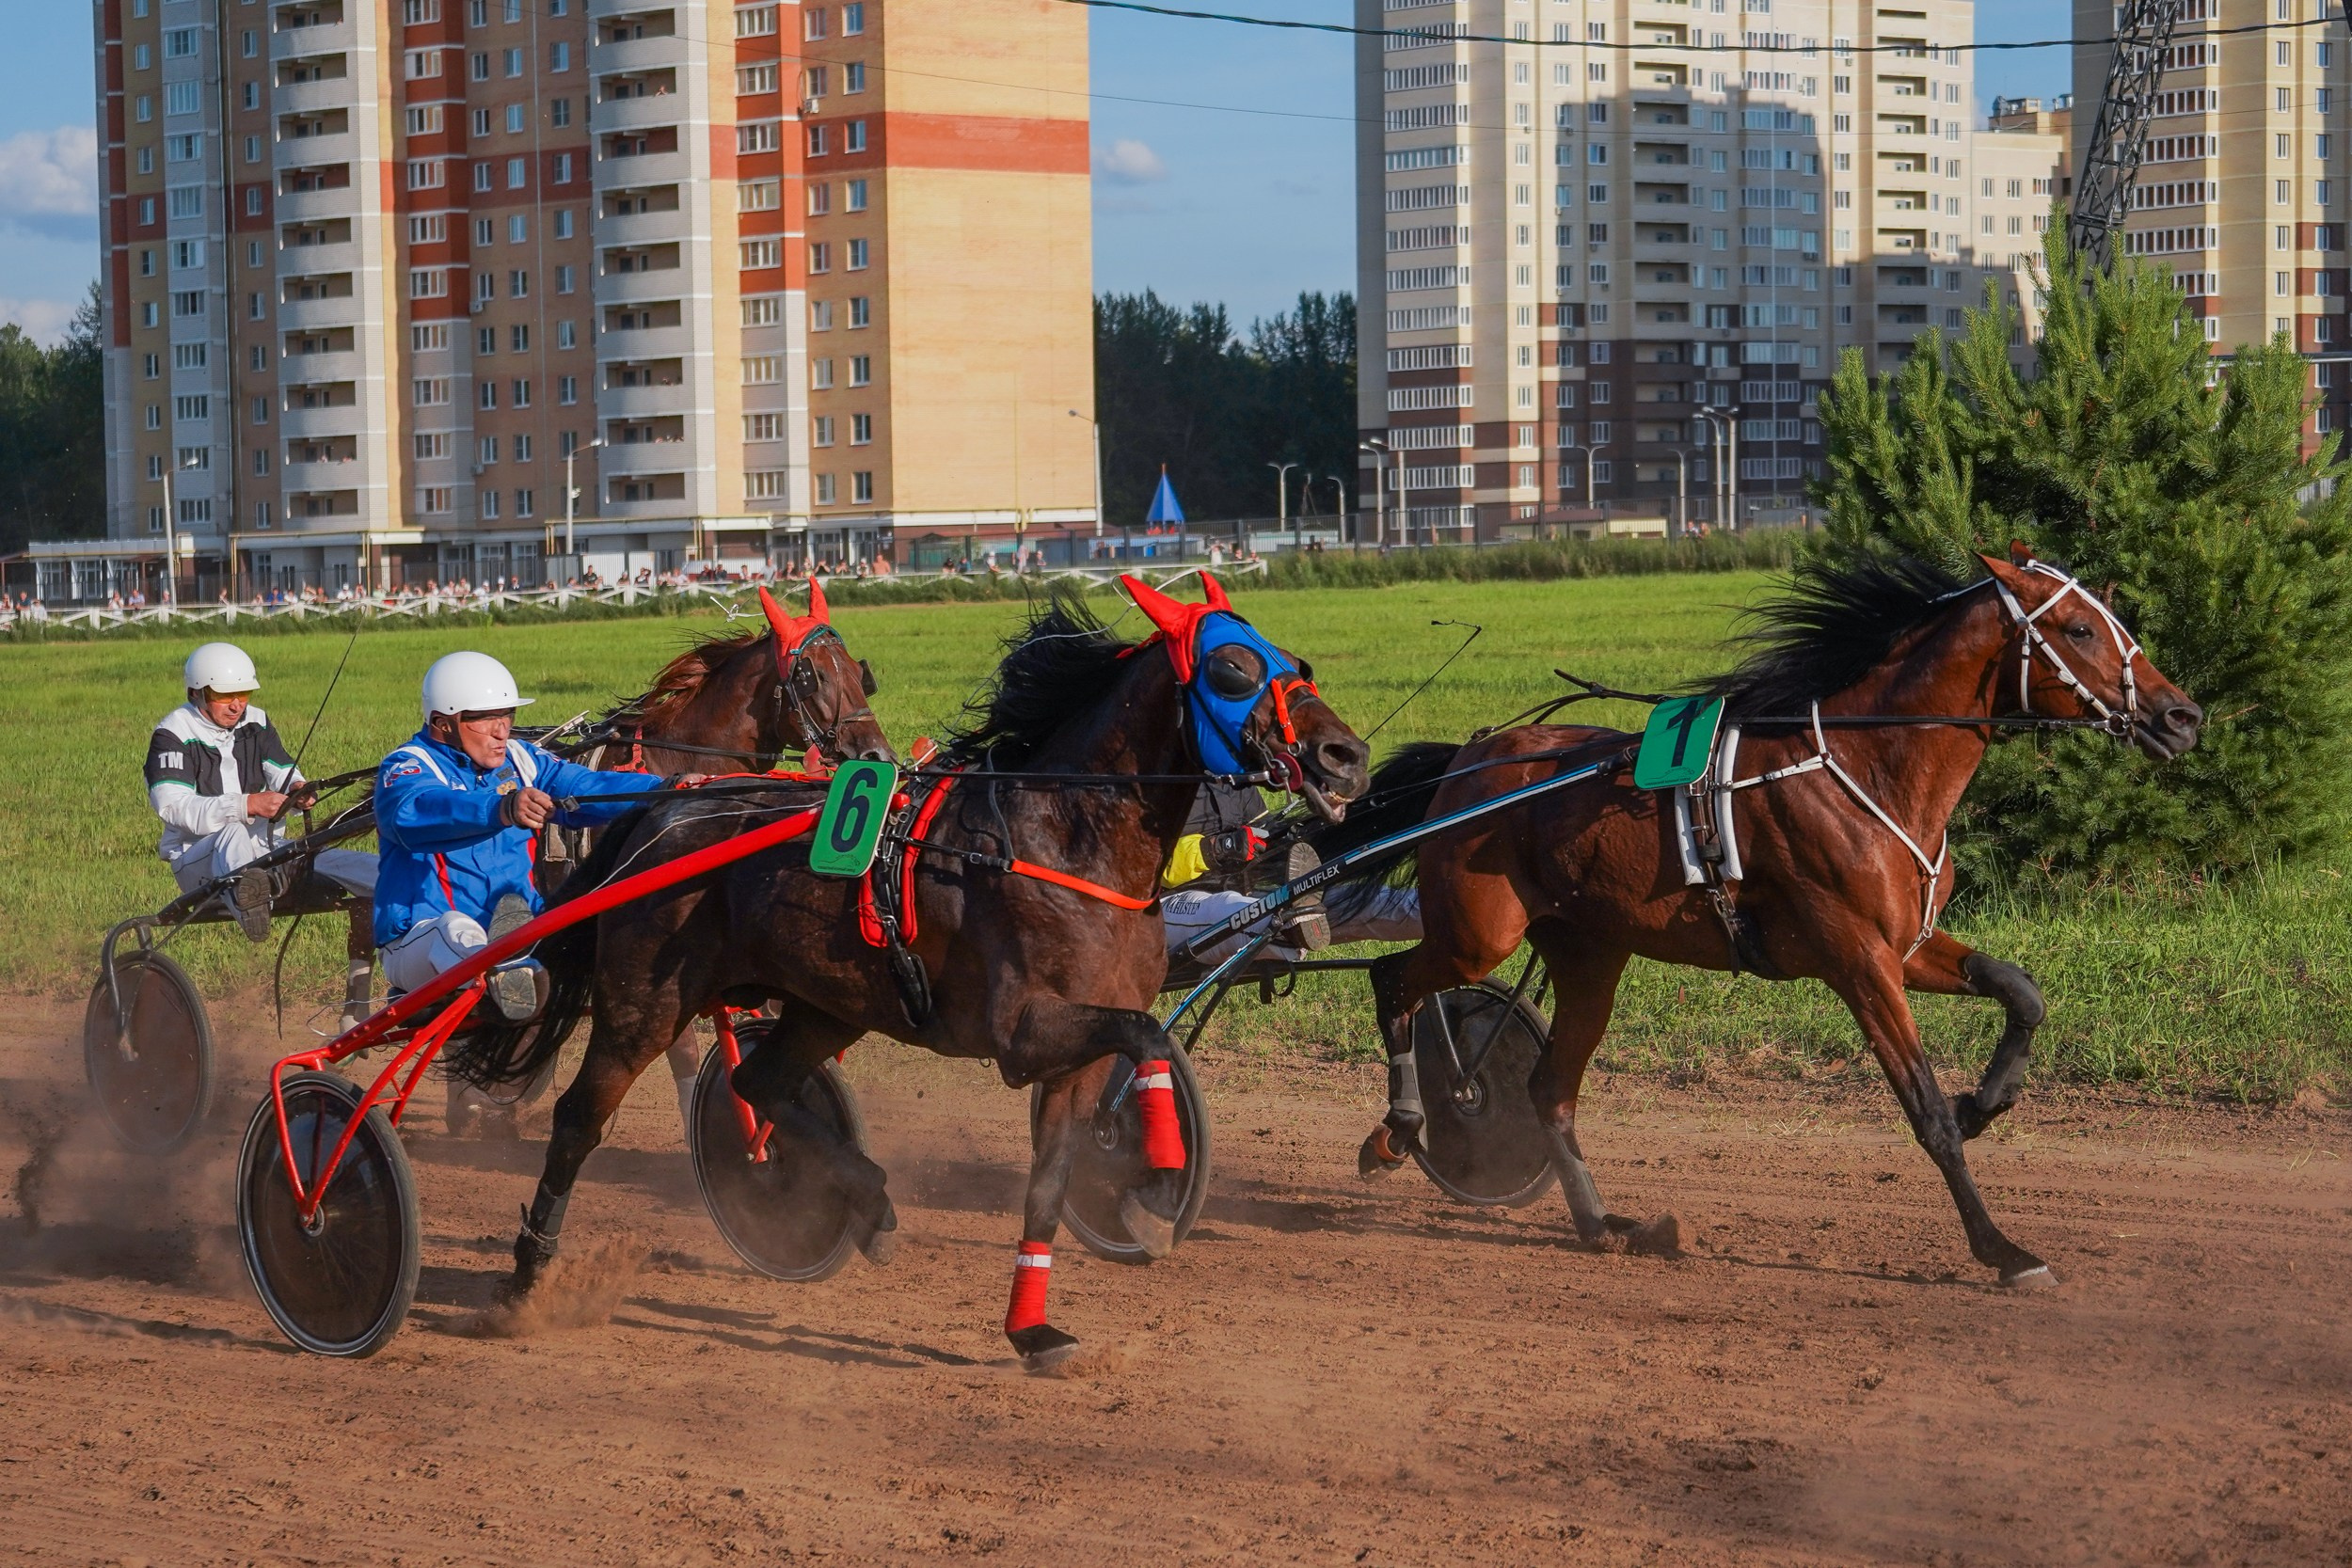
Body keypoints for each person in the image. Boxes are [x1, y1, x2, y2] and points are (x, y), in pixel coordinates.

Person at [373, 651, 701, 1132]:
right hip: (418, 943)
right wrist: (500, 809)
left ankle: (516, 979)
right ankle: (507, 978)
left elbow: (588, 787)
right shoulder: (407, 766)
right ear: (444, 723)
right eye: (486, 720)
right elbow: (412, 812)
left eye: (508, 716)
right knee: (457, 928)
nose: (503, 730)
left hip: (514, 934)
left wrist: (666, 788)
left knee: (592, 936)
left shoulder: (523, 761)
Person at [146, 642, 379, 941]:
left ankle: (407, 889)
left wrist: (297, 788)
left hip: (266, 854)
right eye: (223, 695)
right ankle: (254, 898)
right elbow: (174, 808)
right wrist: (247, 806)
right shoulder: (172, 734)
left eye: (242, 694)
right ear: (196, 692)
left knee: (333, 857)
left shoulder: (256, 721)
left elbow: (281, 769)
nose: (236, 705)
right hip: (199, 860)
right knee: (232, 833)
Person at [1157, 782, 1422, 979]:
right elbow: (1141, 864)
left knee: (1369, 900)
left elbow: (1266, 837)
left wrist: (1308, 830)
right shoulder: (1150, 781)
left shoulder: (1229, 779)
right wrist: (1217, 848)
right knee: (1250, 913)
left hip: (1251, 890)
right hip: (1167, 904)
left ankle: (1441, 911)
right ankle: (1291, 925)